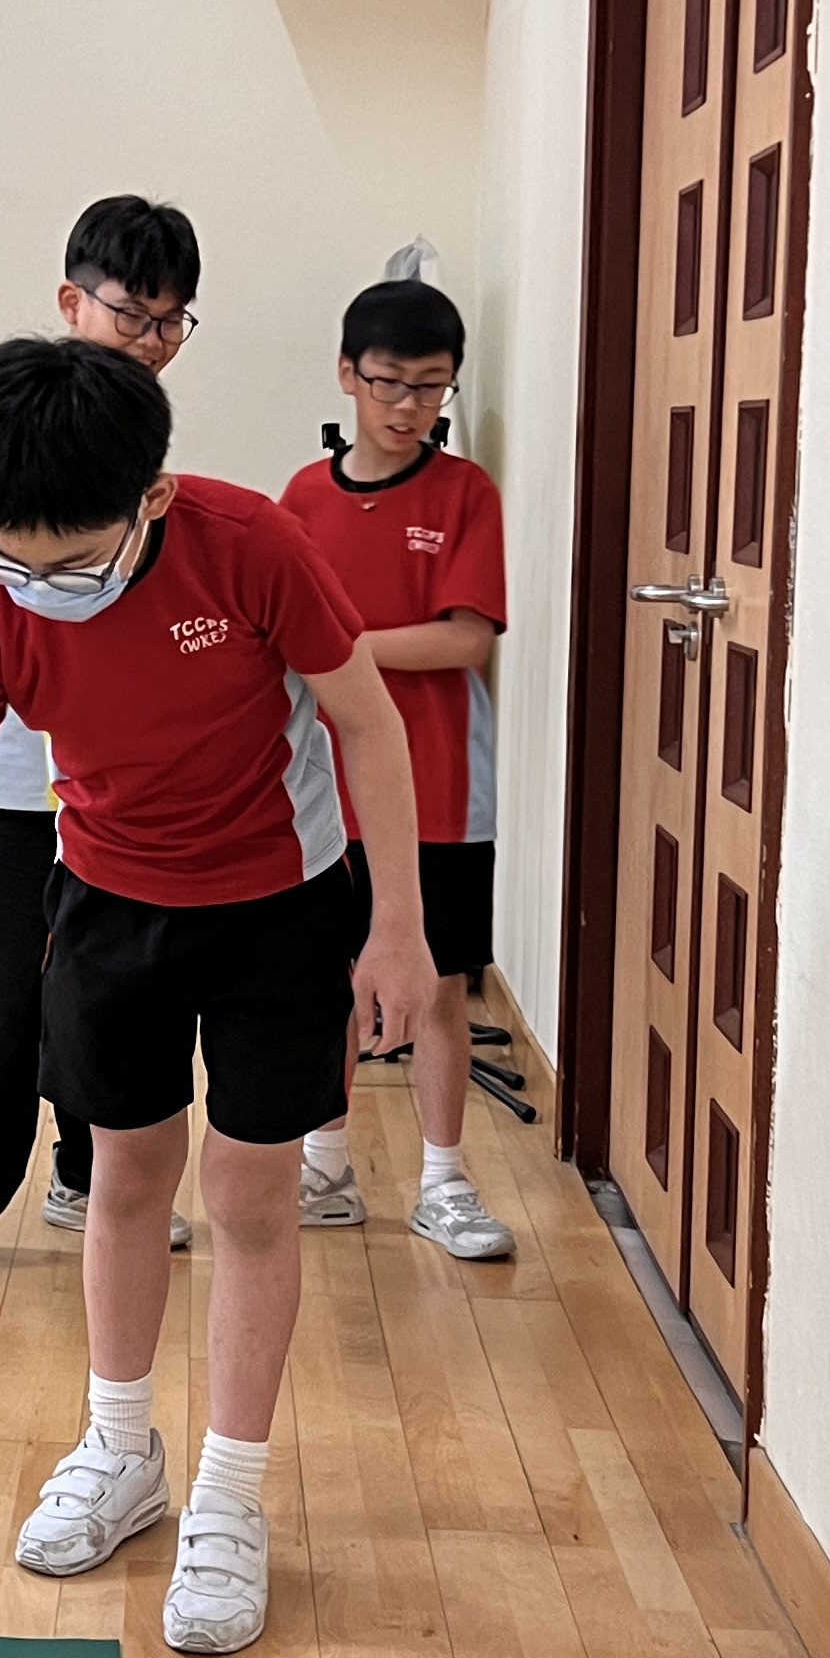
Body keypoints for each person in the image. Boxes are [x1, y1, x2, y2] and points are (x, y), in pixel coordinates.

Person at [0, 337, 434, 1658]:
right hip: (110, 903)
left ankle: (230, 1494)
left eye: (71, 565)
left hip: (279, 902)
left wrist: (397, 927)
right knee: (123, 1176)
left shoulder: (251, 545)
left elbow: (368, 722)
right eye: (13, 558)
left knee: (251, 1194)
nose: (41, 591)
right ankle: (123, 1451)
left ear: (151, 499)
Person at [0, 195, 206, 1289]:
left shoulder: (152, 460)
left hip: (118, 793)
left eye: (171, 322)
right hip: (17, 785)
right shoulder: (18, 435)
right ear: (73, 303)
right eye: (131, 315)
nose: (151, 341)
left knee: (105, 1000)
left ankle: (87, 1176)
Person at [280, 278, 516, 1258]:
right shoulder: (301, 498)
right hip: (324, 791)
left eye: (431, 386)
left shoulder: (465, 494)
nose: (408, 404)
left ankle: (445, 1179)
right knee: (325, 980)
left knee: (443, 984)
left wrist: (340, 651)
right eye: (389, 382)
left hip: (439, 790)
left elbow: (465, 640)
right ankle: (325, 1166)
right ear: (348, 375)